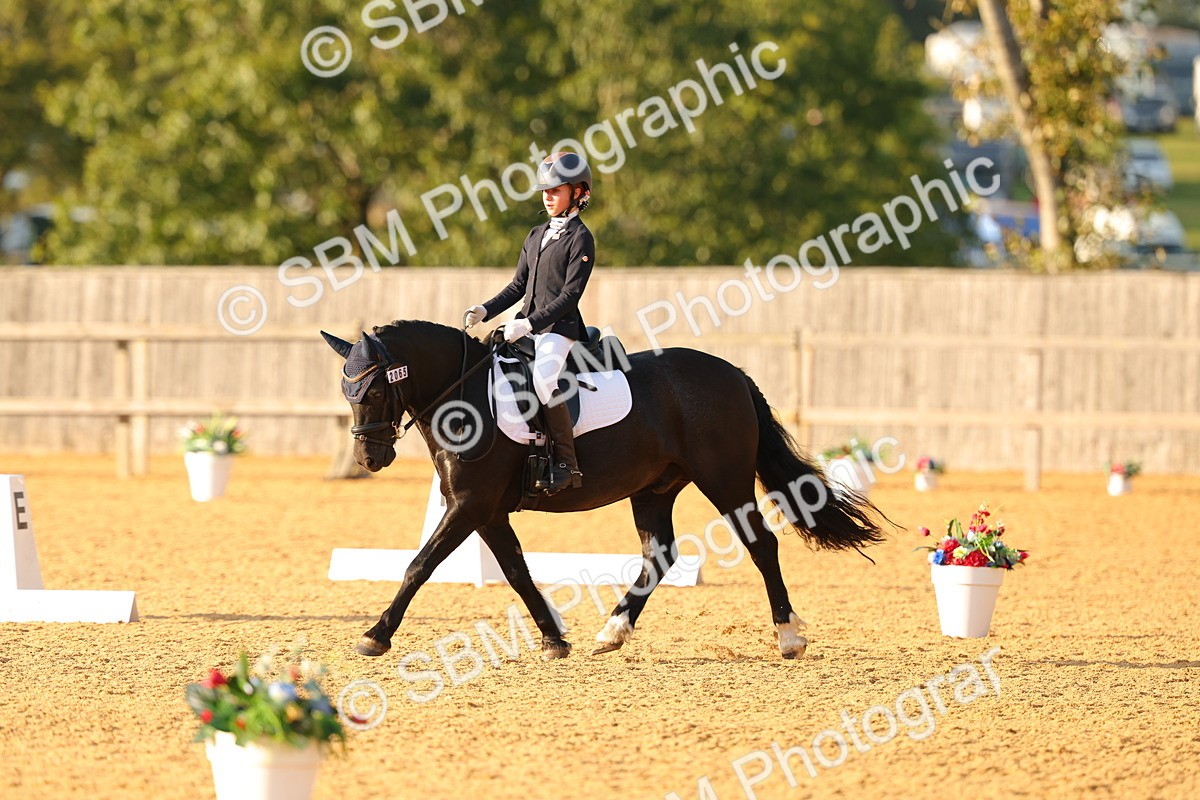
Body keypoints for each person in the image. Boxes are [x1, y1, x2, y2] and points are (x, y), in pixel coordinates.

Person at [464, 151, 595, 494]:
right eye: (545, 191)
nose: (548, 197)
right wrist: (485, 309)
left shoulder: (581, 239)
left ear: (579, 192)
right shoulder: (536, 234)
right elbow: (518, 286)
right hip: (527, 324)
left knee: (543, 378)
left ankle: (567, 463)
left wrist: (529, 324)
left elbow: (569, 297)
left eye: (556, 191)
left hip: (559, 330)